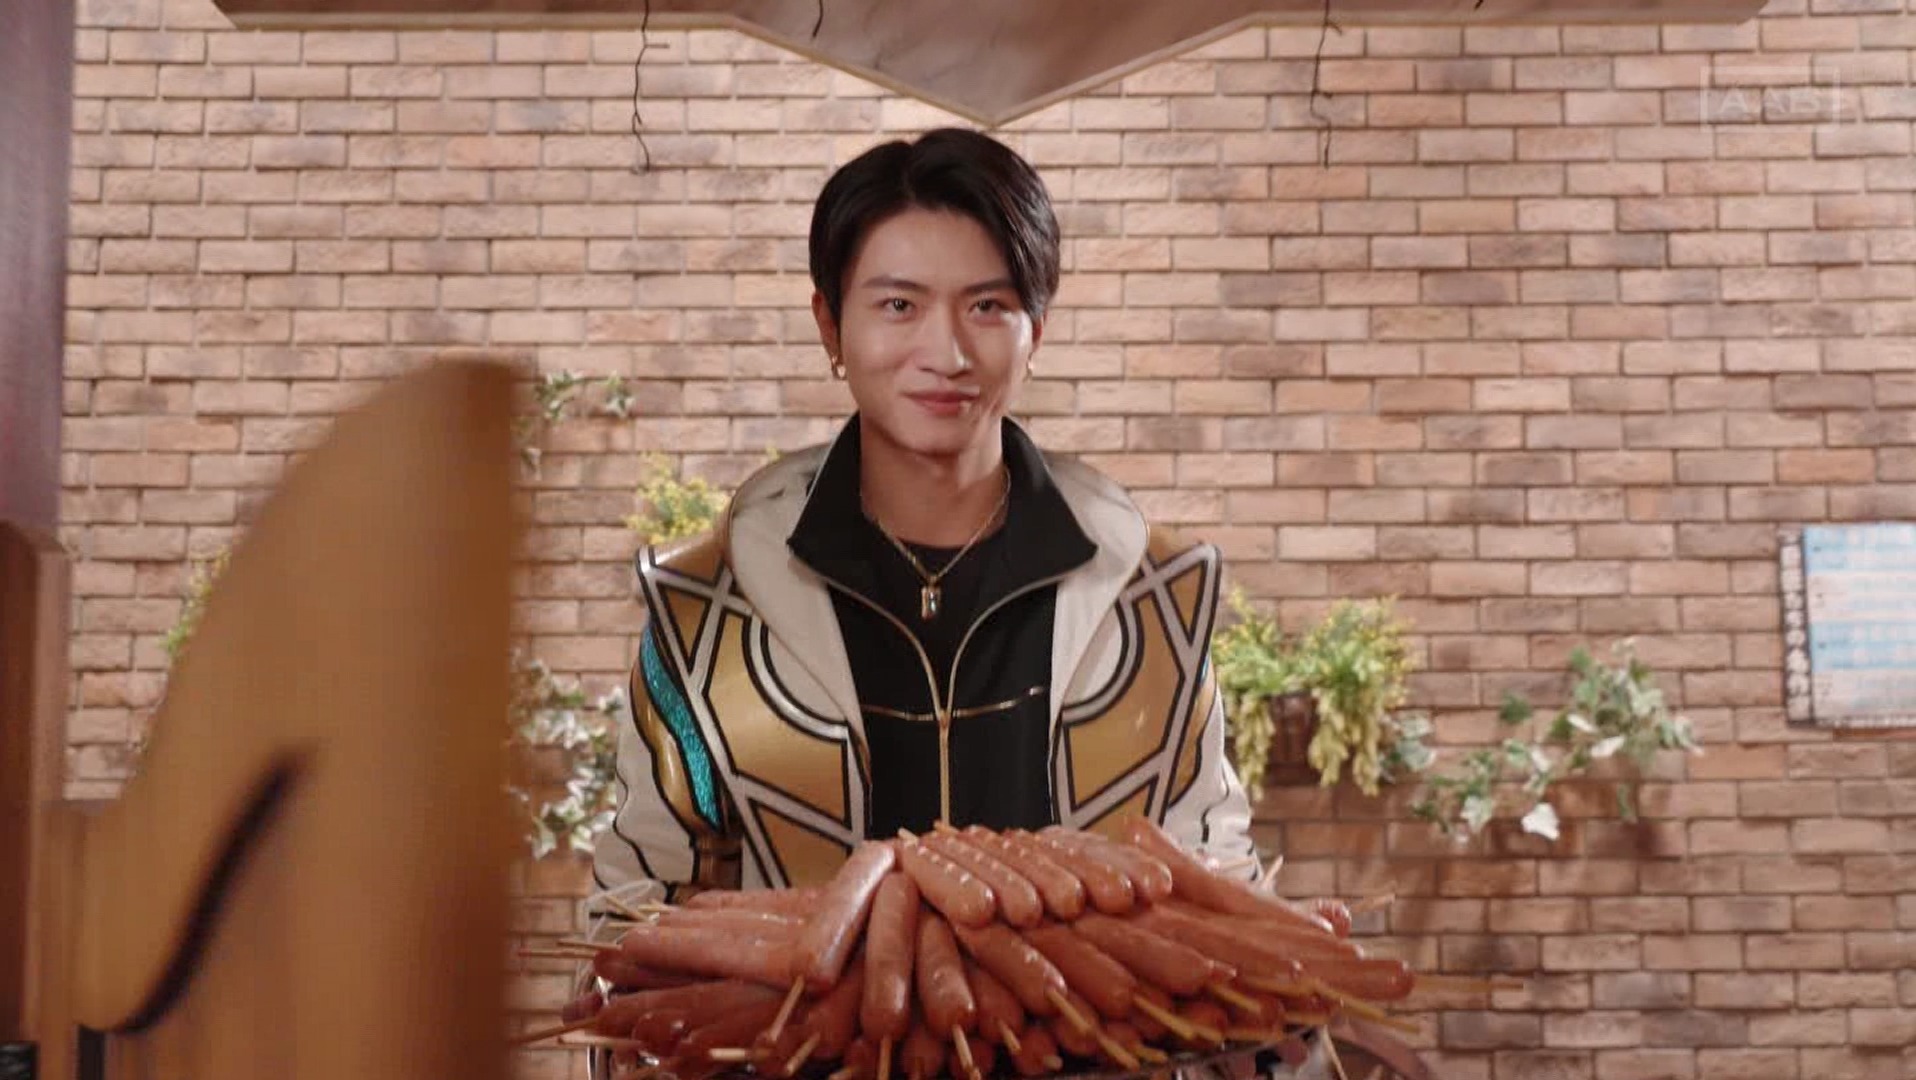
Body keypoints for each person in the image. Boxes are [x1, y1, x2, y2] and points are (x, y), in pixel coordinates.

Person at [591, 126, 1258, 902]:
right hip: (799, 991)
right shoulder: (706, 605)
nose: (946, 353)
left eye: (987, 306)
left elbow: (1214, 868)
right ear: (830, 326)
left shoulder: (1151, 596)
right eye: (899, 305)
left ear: (1035, 332)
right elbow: (641, 895)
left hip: (1082, 992)